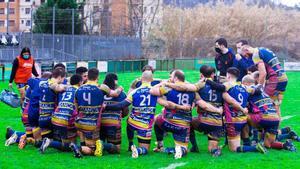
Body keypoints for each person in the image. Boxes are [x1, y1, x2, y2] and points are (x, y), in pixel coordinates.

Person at [105, 71, 190, 158]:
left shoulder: (135, 92)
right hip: (145, 126)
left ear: (141, 79)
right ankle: (139, 150)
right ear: (152, 80)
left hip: (133, 122)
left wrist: (106, 106)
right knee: (145, 150)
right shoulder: (155, 92)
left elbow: (121, 105)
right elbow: (166, 102)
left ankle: (130, 142)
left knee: (128, 121)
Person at [150, 70, 222, 159]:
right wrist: (218, 110)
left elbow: (152, 91)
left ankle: (160, 145)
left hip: (167, 121)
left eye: (171, 76)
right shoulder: (193, 91)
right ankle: (179, 150)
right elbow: (203, 104)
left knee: (157, 119)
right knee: (183, 149)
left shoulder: (169, 87)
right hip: (183, 125)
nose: (170, 78)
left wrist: (163, 83)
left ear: (175, 78)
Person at [74, 68, 123, 157]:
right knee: (93, 150)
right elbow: (115, 94)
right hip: (91, 124)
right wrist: (120, 88)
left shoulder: (78, 89)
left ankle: (81, 146)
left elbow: (76, 108)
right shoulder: (101, 87)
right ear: (98, 77)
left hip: (79, 122)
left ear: (87, 77)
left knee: (85, 140)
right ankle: (79, 147)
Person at [242, 75, 296, 151]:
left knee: (243, 116)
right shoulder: (264, 93)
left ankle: (246, 143)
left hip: (263, 118)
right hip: (275, 119)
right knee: (268, 144)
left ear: (245, 83)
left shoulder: (249, 89)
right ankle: (285, 145)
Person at [40, 74, 84, 157]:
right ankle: (51, 143)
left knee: (66, 145)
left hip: (56, 118)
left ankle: (49, 142)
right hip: (66, 120)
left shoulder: (66, 89)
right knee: (72, 145)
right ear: (80, 82)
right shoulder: (79, 91)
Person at [240, 45, 288, 116]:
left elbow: (263, 73)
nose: (247, 57)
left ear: (247, 49)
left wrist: (259, 88)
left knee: (266, 104)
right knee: (276, 106)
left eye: (245, 55)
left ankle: (267, 125)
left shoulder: (255, 55)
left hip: (274, 80)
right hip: (283, 79)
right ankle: (276, 126)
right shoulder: (263, 49)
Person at [100, 73, 128, 154]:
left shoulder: (100, 92)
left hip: (99, 123)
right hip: (113, 123)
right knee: (117, 149)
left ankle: (100, 144)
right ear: (115, 81)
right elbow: (125, 111)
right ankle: (104, 146)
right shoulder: (122, 94)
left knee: (100, 139)